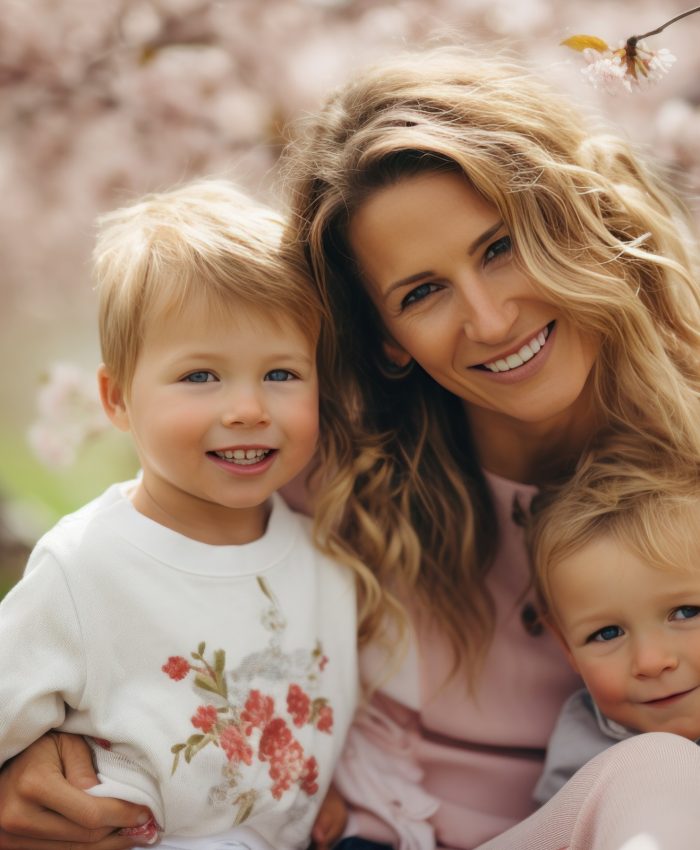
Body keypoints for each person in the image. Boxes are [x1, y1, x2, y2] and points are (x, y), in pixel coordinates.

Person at [3, 44, 700, 850]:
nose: (489, 319)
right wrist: (27, 768)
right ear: (389, 337)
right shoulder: (321, 473)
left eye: (501, 246)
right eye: (423, 292)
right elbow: (130, 581)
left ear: (571, 219)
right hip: (365, 838)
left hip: (614, 824)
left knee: (659, 771)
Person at [0, 180, 363, 850]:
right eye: (201, 376)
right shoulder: (85, 567)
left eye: (282, 374)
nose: (248, 409)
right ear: (117, 400)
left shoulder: (323, 561)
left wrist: (313, 786)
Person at [525, 440, 700, 805]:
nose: (651, 662)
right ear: (566, 648)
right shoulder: (586, 758)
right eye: (607, 633)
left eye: (686, 612)